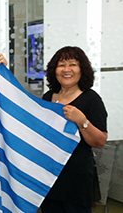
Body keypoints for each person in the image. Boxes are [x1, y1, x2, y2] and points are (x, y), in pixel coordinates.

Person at [40, 46, 107, 213]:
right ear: (54, 70)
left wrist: (82, 121)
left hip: (77, 179)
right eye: (61, 64)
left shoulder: (91, 100)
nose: (67, 69)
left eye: (73, 64)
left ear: (81, 70)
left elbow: (100, 141)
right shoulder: (48, 97)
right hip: (49, 176)